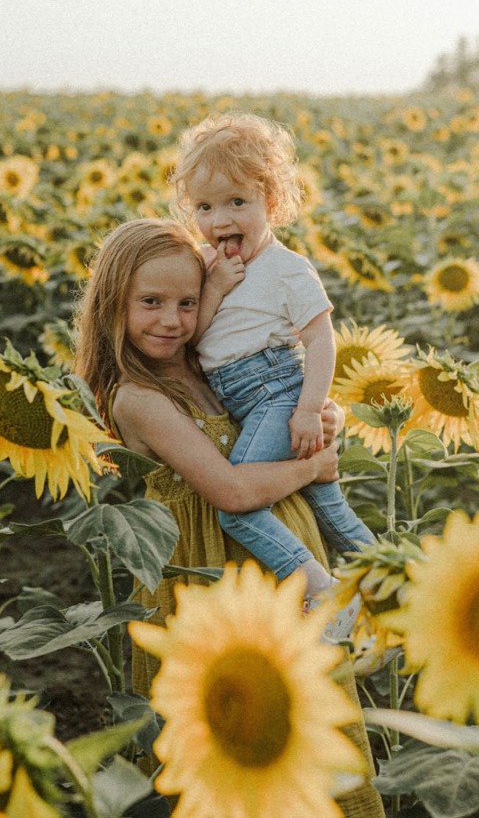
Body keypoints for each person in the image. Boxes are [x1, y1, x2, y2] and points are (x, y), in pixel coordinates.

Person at [72, 217, 384, 818]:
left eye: (188, 303)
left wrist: (324, 420)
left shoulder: (210, 362)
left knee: (306, 733)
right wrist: (313, 468)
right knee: (232, 751)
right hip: (205, 584)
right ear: (113, 306)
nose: (172, 320)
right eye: (151, 303)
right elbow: (233, 492)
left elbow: (282, 405)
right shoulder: (138, 398)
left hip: (280, 567)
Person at [171, 113, 376, 625]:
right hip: (246, 399)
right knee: (332, 513)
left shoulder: (287, 268)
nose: (220, 220)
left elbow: (320, 339)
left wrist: (309, 409)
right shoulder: (206, 266)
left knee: (236, 506)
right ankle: (394, 587)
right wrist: (214, 288)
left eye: (237, 202)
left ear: (272, 202)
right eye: (205, 207)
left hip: (279, 396)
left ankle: (319, 587)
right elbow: (192, 342)